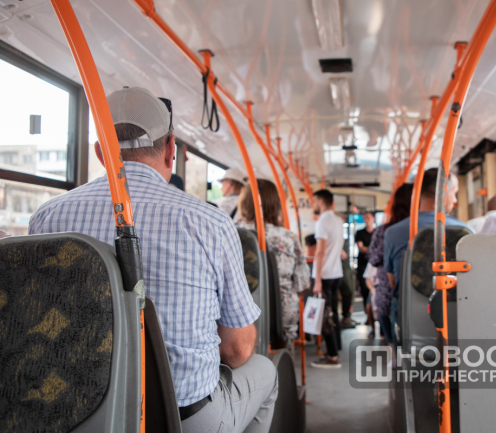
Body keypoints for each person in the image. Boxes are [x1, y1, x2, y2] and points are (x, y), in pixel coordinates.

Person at [28, 87, 277, 433]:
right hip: (183, 417)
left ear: (100, 152)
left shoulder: (46, 217)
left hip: (76, 413)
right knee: (266, 371)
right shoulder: (210, 223)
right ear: (171, 149)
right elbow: (236, 351)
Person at [384, 171, 472, 334]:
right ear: (443, 194)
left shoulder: (392, 233)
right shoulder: (464, 231)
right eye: (454, 194)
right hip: (456, 312)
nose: (455, 201)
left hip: (408, 313)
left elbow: (392, 281)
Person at [237, 179, 310, 346]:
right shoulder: (288, 237)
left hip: (240, 314)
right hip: (281, 315)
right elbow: (302, 284)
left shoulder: (232, 233)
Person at [367, 183, 413, 347]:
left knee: (394, 339)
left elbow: (373, 259)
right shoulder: (425, 227)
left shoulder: (384, 231)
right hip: (416, 289)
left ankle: (395, 353)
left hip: (388, 289)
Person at [310, 189, 345, 368]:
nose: (313, 205)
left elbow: (320, 252)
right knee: (333, 314)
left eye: (314, 201)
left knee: (325, 316)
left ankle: (332, 356)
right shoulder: (338, 220)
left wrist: (317, 280)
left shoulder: (322, 222)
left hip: (324, 275)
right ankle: (336, 347)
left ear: (321, 202)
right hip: (336, 272)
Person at [355, 211, 375, 326]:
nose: (366, 220)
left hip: (375, 266)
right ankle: (368, 316)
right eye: (365, 218)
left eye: (368, 217)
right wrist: (374, 250)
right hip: (363, 265)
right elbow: (360, 248)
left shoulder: (377, 233)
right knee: (365, 289)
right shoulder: (360, 233)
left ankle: (376, 315)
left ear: (373, 219)